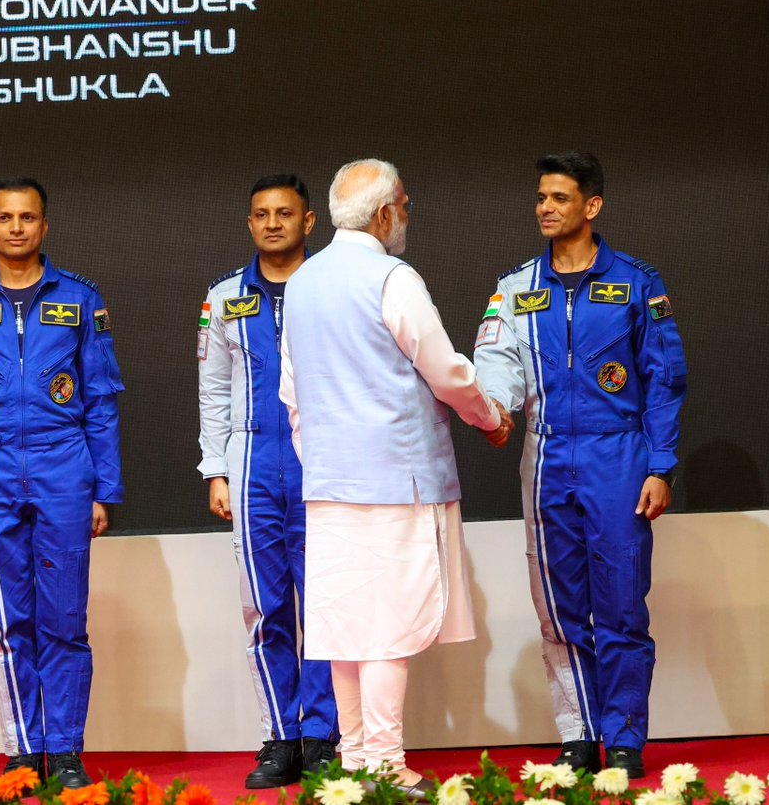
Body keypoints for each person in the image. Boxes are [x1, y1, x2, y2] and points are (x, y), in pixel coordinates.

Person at [279, 159, 508, 797]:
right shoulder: (392, 275)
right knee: (387, 625)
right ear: (384, 214)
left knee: (346, 626)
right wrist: (489, 416)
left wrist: (318, 458)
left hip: (329, 482)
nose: (406, 215)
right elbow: (445, 369)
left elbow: (291, 393)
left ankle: (356, 757)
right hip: (396, 479)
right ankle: (380, 759)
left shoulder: (302, 281)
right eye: (403, 204)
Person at [474, 152, 687, 779]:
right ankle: (579, 733)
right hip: (543, 456)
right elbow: (497, 363)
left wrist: (661, 465)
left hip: (618, 455)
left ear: (591, 207)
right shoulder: (515, 286)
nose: (545, 208)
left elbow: (666, 380)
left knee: (621, 606)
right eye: (541, 197)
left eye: (559, 198)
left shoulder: (638, 283)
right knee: (560, 608)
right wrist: (495, 411)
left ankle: (623, 738)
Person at [0, 178, 124, 789]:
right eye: (4, 218)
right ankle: (22, 749)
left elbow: (100, 400)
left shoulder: (81, 300)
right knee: (6, 620)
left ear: (45, 226)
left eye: (28, 217)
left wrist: (102, 490)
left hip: (64, 465)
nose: (16, 228)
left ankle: (64, 747)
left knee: (65, 616)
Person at [197, 175, 339, 787]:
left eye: (286, 213)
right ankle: (279, 736)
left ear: (310, 222)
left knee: (329, 606)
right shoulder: (224, 297)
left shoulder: (334, 287)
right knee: (268, 607)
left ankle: (323, 734)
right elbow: (214, 390)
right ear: (249, 223)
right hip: (253, 461)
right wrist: (217, 470)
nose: (273, 223)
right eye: (261, 214)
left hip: (325, 461)